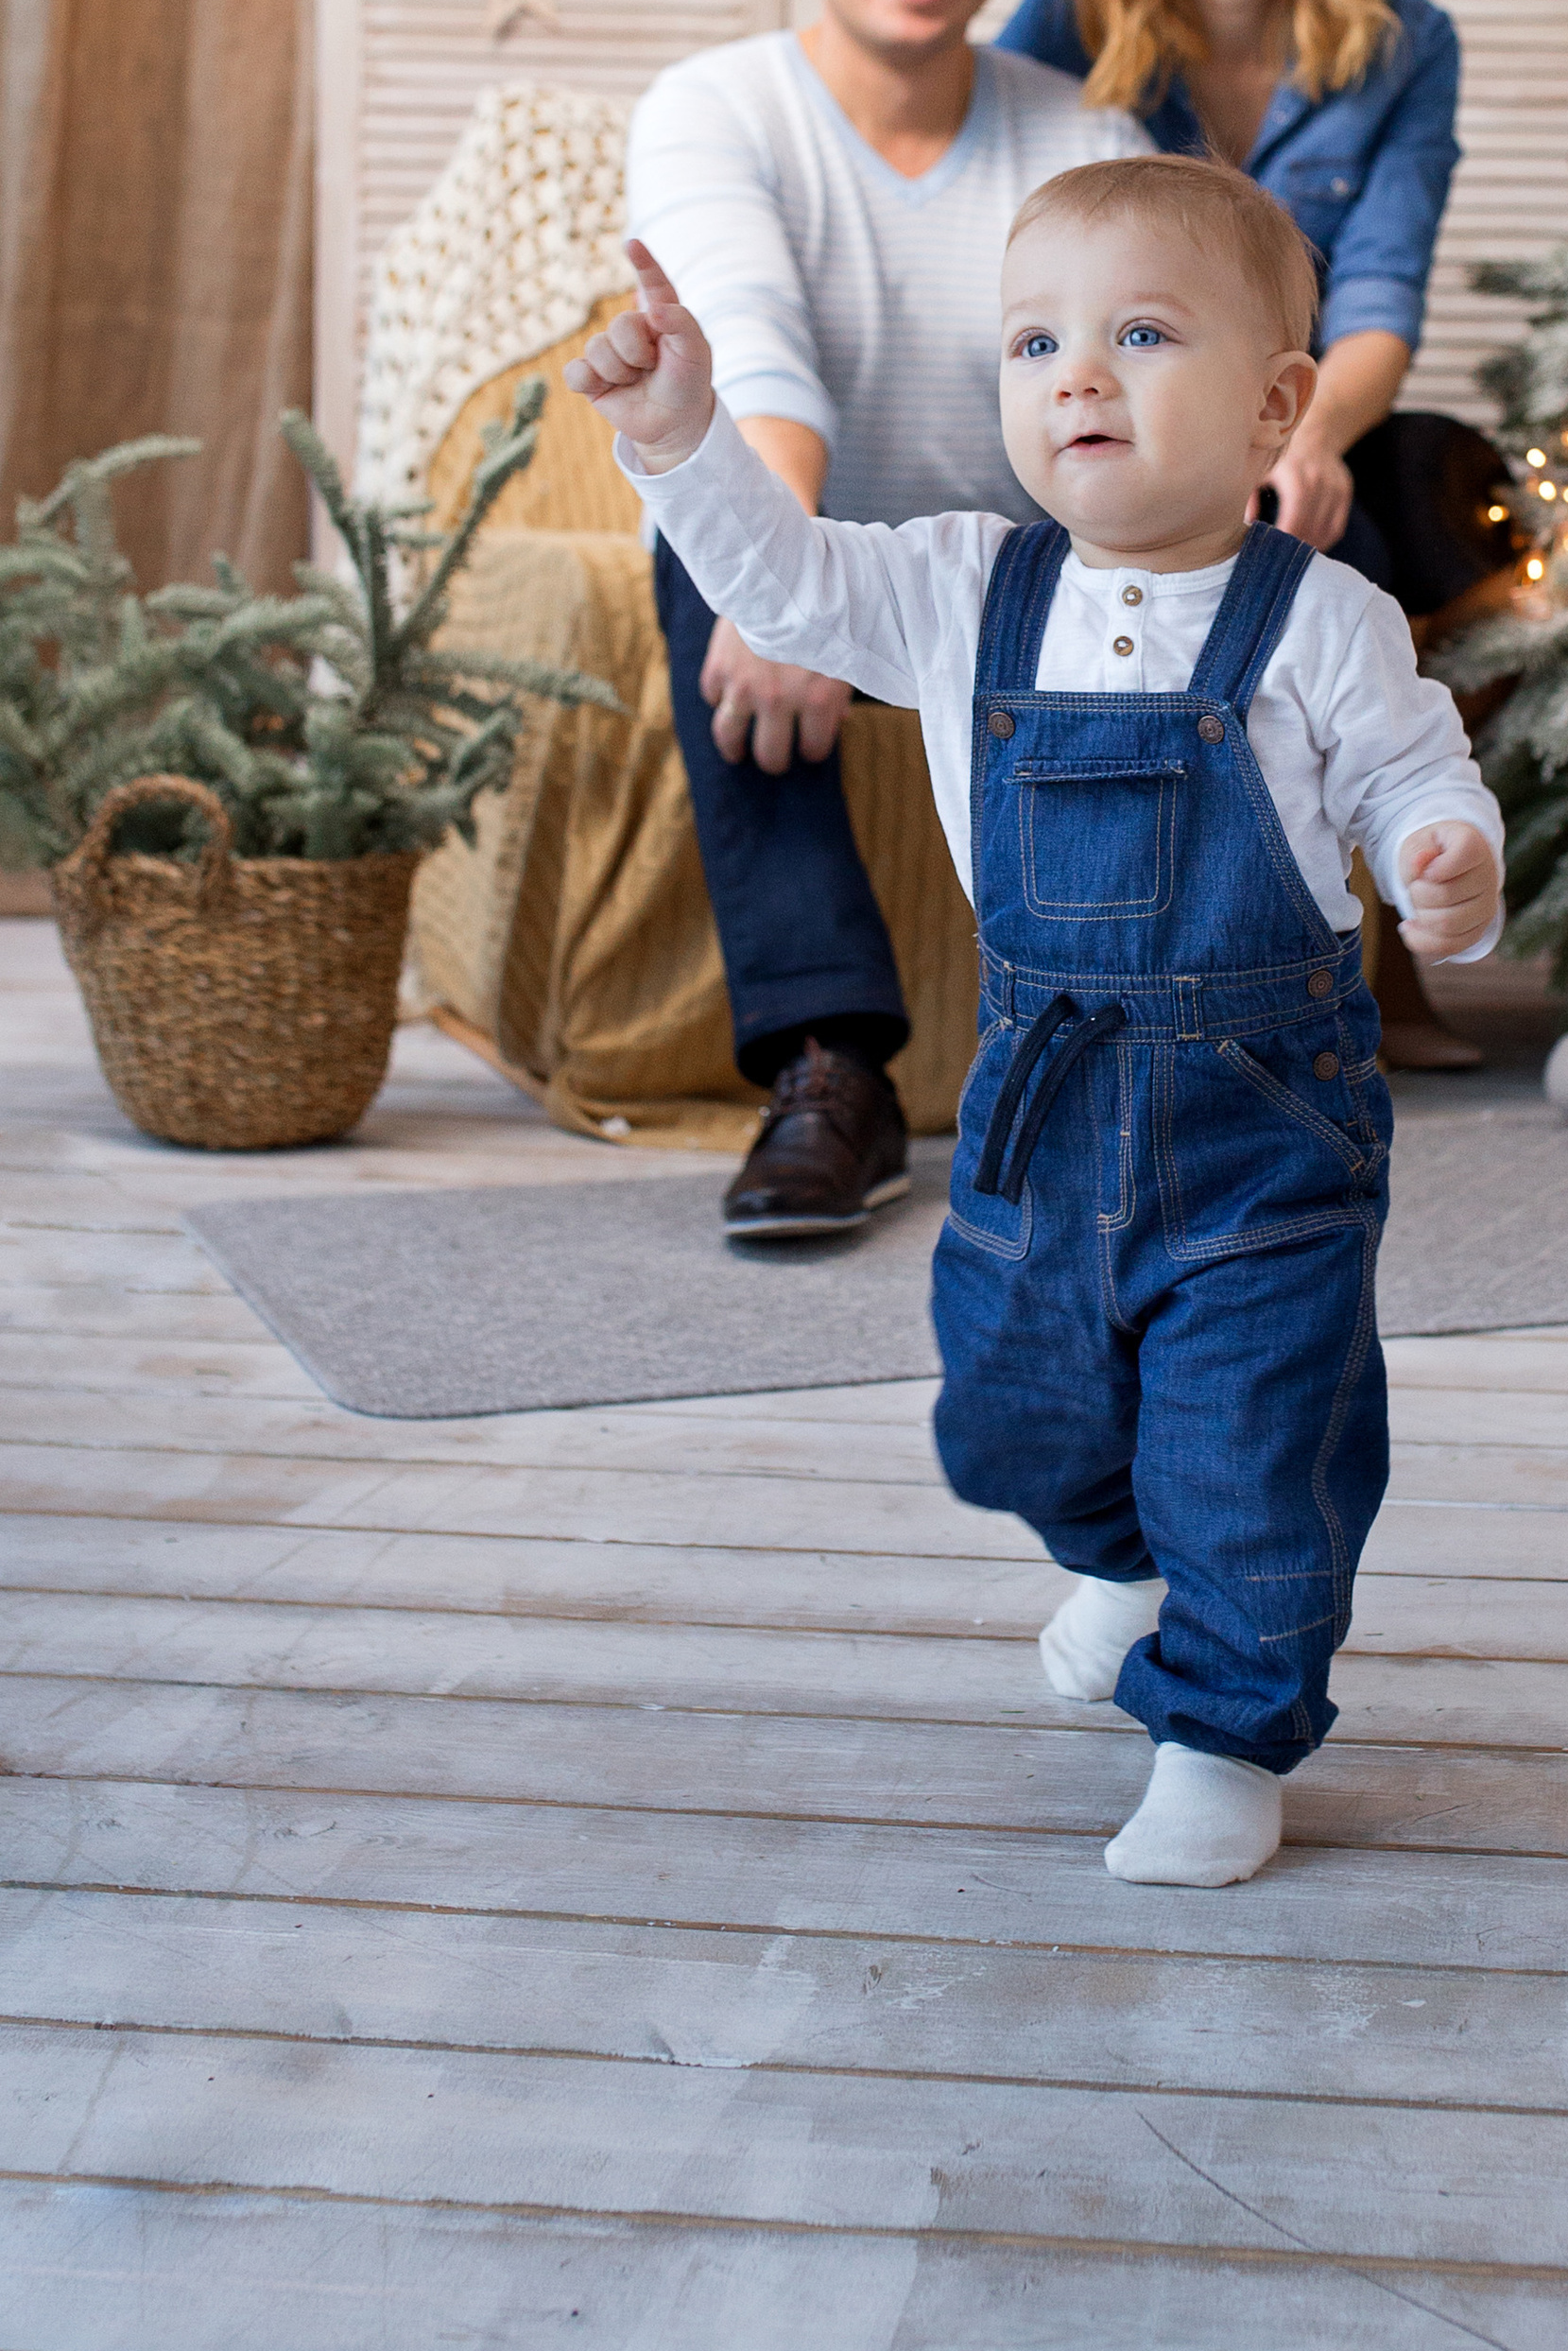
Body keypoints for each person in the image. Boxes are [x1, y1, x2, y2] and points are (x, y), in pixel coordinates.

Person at [569, 159, 1505, 1889]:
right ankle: (1122, 1564)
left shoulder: (1325, 621)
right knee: (1012, 1409)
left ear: (1275, 405)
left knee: (1249, 1441)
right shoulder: (953, 587)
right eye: (1034, 342)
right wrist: (685, 439)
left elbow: (1413, 775)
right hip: (1037, 1109)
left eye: (1140, 333)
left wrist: (1447, 862)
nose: (1077, 373)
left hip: (1260, 1138)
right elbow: (778, 589)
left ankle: (1225, 1730)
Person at [624, 0, 1149, 1240]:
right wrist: (780, 578)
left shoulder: (1088, 138)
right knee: (702, 550)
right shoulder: (712, 107)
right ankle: (829, 1068)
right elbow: (747, 362)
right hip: (812, 528)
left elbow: (1123, 407)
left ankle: (1126, 1052)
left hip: (1017, 560)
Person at [999, 0, 1509, 1069]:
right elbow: (1027, 273)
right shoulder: (1064, 25)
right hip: (1125, 428)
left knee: (1409, 510)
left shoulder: (1405, 41)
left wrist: (1310, 438)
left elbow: (1385, 296)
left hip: (1302, 404)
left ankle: (1378, 936)